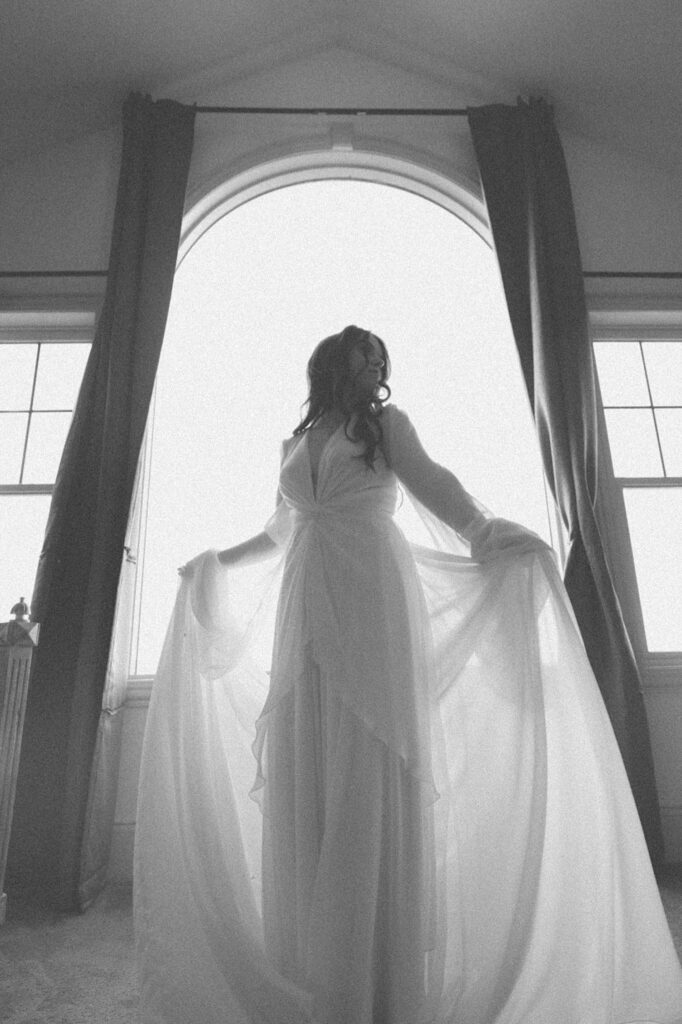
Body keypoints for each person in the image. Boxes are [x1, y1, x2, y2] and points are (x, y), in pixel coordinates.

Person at [134, 325, 682, 1024]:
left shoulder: (386, 427)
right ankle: (321, 970)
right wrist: (212, 564)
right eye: (364, 357)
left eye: (380, 360)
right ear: (334, 363)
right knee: (314, 763)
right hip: (307, 601)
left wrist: (489, 534)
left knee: (370, 754)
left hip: (372, 596)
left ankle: (377, 974)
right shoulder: (293, 444)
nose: (375, 368)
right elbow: (280, 529)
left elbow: (437, 486)